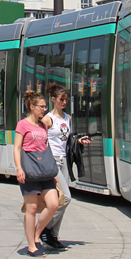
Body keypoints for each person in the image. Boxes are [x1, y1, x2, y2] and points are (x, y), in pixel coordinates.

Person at [40, 83, 91, 249]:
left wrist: (79, 140)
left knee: (62, 199)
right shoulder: (47, 119)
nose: (64, 102)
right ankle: (46, 228)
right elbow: (40, 141)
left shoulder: (67, 118)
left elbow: (68, 139)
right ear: (53, 99)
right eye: (61, 99)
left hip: (65, 161)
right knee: (66, 197)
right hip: (53, 161)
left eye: (66, 100)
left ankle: (53, 235)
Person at [14, 90, 59, 257]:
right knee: (31, 208)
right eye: (41, 106)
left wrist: (49, 169)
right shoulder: (22, 125)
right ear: (32, 107)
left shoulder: (42, 125)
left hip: (45, 172)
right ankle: (32, 245)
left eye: (45, 106)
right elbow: (17, 148)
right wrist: (19, 169)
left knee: (53, 204)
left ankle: (36, 234)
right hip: (29, 172)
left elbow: (45, 148)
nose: (44, 109)